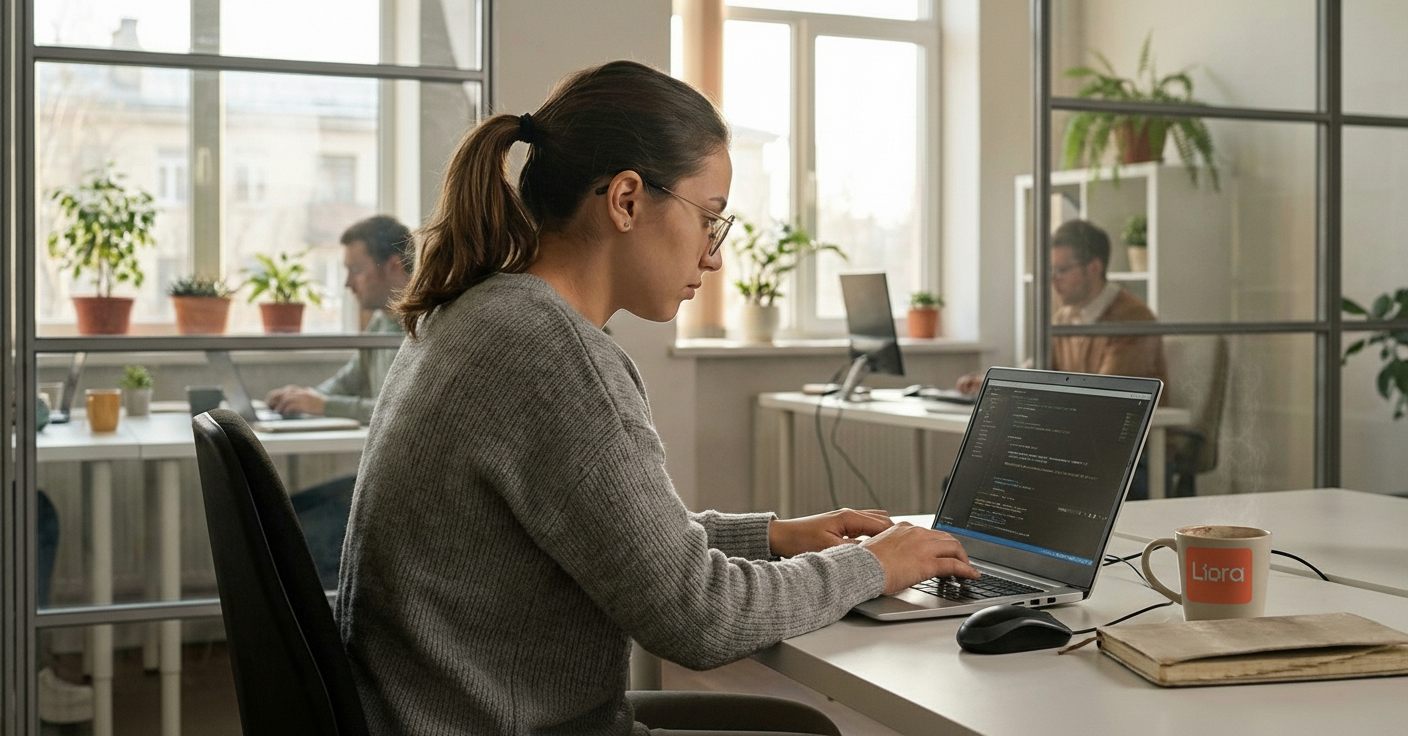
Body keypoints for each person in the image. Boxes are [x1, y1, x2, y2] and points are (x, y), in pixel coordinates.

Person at [337, 60, 978, 736]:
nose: (713, 256)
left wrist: (770, 536)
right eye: (711, 219)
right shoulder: (553, 354)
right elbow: (699, 618)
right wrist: (872, 566)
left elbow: (610, 531)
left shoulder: (481, 312)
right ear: (626, 200)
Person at [266, 214, 412, 589]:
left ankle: (330, 638)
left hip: (402, 492)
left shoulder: (425, 325)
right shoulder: (380, 324)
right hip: (377, 478)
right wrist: (302, 397)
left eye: (356, 269)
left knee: (299, 537)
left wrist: (324, 406)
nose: (348, 283)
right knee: (280, 515)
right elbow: (347, 383)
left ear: (393, 266)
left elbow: (396, 412)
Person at [955, 219, 1167, 393]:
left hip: (1136, 442)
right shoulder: (1065, 317)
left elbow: (1105, 396)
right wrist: (994, 383)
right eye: (1051, 271)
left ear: (1094, 267)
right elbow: (1041, 367)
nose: (1054, 280)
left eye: (1062, 270)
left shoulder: (1132, 319)